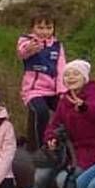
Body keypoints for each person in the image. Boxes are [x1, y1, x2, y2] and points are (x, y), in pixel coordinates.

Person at [19, 59, 95, 188]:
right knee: (42, 171)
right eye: (67, 75)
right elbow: (53, 125)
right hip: (69, 150)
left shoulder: (92, 96)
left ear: (84, 77)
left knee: (63, 180)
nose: (71, 77)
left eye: (75, 74)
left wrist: (84, 107)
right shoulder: (64, 100)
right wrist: (51, 138)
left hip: (92, 150)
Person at [17, 11, 66, 146]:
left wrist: (62, 91)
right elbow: (21, 53)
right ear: (33, 28)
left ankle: (60, 143)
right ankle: (37, 145)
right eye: (40, 27)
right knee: (41, 111)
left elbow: (62, 69)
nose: (44, 31)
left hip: (53, 91)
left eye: (48, 28)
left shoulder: (57, 46)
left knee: (67, 110)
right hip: (34, 90)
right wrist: (29, 49)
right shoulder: (27, 40)